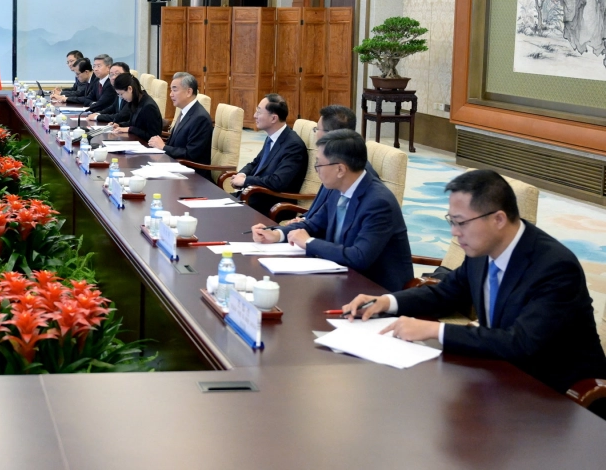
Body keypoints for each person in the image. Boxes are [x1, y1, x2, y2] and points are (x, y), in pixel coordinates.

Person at [342, 170, 606, 410]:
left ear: (498, 219)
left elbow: (521, 343)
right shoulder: (482, 250)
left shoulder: (554, 267)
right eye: (451, 221)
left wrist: (435, 330)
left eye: (461, 223)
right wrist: (387, 302)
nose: (454, 233)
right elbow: (445, 293)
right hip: (501, 375)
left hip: (558, 396)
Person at [253, 129, 412, 291]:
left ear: (340, 170)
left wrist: (309, 242)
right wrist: (277, 234)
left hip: (374, 289)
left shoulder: (379, 203)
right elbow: (313, 224)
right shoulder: (339, 188)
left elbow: (359, 257)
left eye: (319, 164)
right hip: (340, 277)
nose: (316, 169)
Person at [230, 94, 308, 217]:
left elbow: (278, 182)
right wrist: (242, 174)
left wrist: (245, 181)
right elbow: (256, 163)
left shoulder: (293, 146)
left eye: (259, 112)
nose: (254, 115)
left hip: (271, 207)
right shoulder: (272, 138)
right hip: (253, 198)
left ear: (273, 118)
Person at [295, 105, 375, 221]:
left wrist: (306, 226)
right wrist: (303, 219)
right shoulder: (331, 162)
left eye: (317, 129)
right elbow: (321, 212)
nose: (315, 134)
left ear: (330, 134)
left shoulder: (353, 173)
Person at [148, 72, 213, 176]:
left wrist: (163, 147)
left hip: (193, 176)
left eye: (175, 90)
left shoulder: (200, 118)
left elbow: (191, 154)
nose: (171, 94)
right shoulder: (185, 111)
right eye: (171, 90)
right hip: (175, 166)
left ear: (188, 92)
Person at [108, 73, 162, 141]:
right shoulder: (136, 100)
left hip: (146, 144)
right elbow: (134, 123)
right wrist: (119, 125)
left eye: (121, 94)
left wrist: (130, 129)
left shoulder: (149, 107)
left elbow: (153, 136)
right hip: (136, 141)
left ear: (130, 89)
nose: (121, 97)